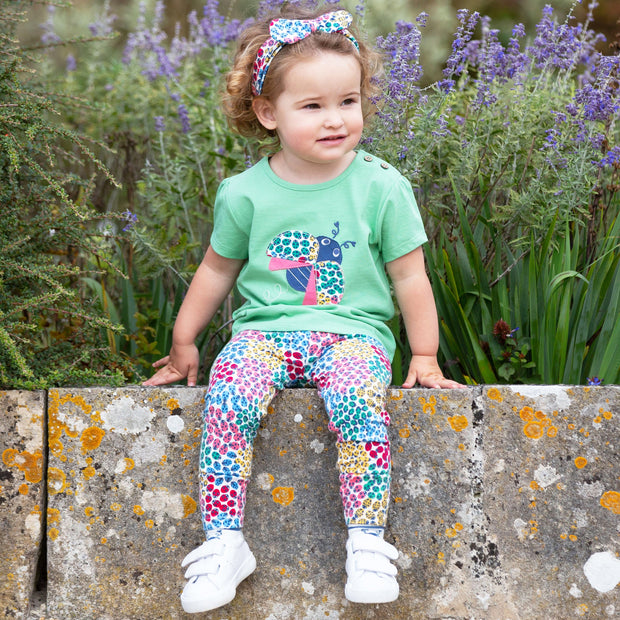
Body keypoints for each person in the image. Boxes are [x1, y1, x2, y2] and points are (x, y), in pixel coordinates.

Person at [143, 4, 464, 614]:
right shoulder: (245, 193)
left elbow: (410, 277)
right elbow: (217, 269)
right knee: (229, 397)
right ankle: (224, 543)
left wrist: (423, 353)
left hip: (353, 337)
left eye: (348, 101)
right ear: (268, 112)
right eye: (312, 106)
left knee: (356, 402)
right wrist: (186, 340)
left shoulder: (381, 185)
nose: (336, 118)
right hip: (264, 335)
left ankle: (367, 542)